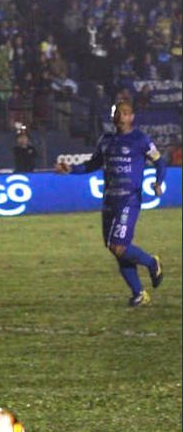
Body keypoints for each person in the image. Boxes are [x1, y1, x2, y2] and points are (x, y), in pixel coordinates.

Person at [55, 101, 167, 307]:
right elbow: (92, 164)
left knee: (119, 246)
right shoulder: (106, 140)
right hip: (109, 200)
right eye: (117, 112)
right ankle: (139, 293)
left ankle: (152, 262)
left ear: (132, 117)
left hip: (129, 199)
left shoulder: (140, 139)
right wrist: (70, 169)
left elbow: (160, 161)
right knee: (115, 248)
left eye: (125, 113)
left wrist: (158, 182)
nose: (120, 116)